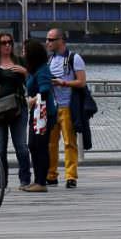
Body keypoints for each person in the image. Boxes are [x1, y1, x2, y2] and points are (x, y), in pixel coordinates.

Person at [45, 28, 86, 188]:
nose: (47, 42)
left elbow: (82, 81)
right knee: (51, 143)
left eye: (51, 39)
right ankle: (51, 174)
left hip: (68, 106)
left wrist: (64, 83)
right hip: (52, 108)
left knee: (69, 143)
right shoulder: (49, 60)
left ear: (61, 40)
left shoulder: (74, 58)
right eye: (47, 39)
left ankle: (71, 176)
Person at [0, 31, 31, 190]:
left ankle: (25, 179)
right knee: (0, 145)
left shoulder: (20, 61)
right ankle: (0, 180)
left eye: (10, 42)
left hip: (18, 108)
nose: (7, 45)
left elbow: (32, 84)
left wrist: (25, 73)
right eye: (3, 42)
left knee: (21, 145)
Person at [23, 39, 53, 193]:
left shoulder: (42, 70)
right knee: (33, 145)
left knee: (40, 146)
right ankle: (37, 180)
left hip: (43, 114)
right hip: (34, 112)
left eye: (25, 51)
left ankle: (42, 181)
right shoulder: (32, 70)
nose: (23, 54)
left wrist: (32, 100)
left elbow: (45, 90)